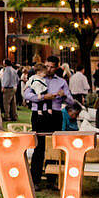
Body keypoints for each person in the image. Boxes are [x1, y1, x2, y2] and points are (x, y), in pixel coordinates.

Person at [27, 57, 72, 189]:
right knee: (38, 146)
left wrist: (64, 96)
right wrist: (41, 98)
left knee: (54, 146)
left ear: (56, 68)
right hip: (39, 115)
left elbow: (71, 102)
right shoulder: (37, 79)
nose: (48, 69)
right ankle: (35, 179)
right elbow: (26, 95)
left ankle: (52, 179)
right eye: (46, 66)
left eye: (51, 67)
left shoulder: (62, 82)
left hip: (55, 115)